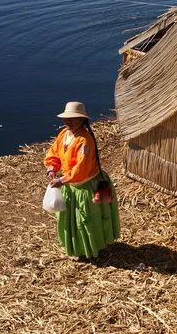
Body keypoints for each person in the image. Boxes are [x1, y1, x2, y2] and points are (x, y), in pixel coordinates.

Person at [44, 101, 120, 258]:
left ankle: (93, 248)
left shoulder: (84, 141)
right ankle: (76, 247)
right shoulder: (64, 134)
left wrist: (62, 180)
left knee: (86, 220)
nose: (68, 122)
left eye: (73, 118)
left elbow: (81, 167)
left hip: (85, 186)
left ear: (82, 120)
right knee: (70, 219)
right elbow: (54, 153)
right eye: (66, 118)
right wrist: (52, 168)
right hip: (70, 185)